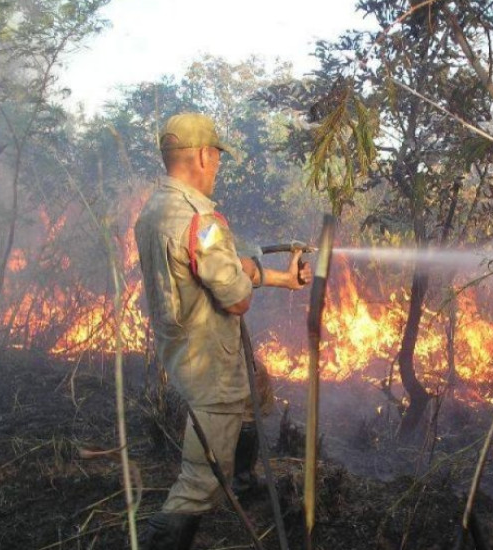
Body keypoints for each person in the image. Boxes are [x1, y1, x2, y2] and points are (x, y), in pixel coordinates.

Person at [135, 112, 312, 550]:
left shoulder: (155, 210)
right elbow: (235, 297)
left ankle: (244, 478)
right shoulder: (202, 219)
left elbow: (211, 271)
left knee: (257, 389)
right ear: (201, 155)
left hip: (182, 349)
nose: (217, 166)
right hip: (210, 362)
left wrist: (280, 278)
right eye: (216, 157)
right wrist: (248, 272)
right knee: (200, 482)